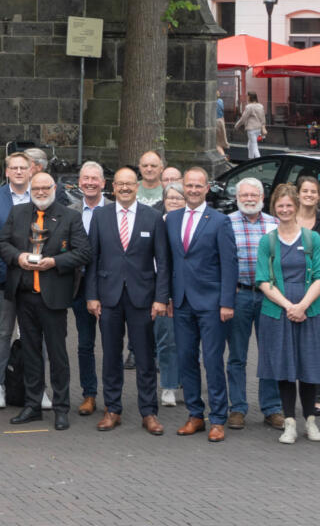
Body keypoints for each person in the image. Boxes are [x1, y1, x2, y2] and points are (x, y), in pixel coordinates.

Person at [0, 171, 91, 430]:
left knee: (58, 355)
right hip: (25, 295)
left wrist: (55, 262)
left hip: (54, 298)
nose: (40, 192)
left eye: (45, 187)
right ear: (30, 189)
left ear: (53, 188)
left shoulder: (70, 216)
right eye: (35, 188)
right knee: (30, 353)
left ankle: (61, 408)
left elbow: (84, 252)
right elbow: (1, 242)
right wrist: (18, 258)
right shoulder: (18, 213)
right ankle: (32, 405)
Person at [84, 167, 169, 434]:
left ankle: (149, 412)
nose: (124, 188)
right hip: (108, 297)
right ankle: (113, 409)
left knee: (145, 357)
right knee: (110, 356)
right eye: (120, 184)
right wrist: (92, 295)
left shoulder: (153, 218)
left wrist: (160, 299)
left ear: (138, 186)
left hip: (142, 297)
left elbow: (163, 263)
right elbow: (92, 260)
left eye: (129, 184)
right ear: (113, 186)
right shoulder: (100, 216)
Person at [255, 183, 320, 444]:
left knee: (309, 366)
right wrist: (289, 306)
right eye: (280, 206)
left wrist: (303, 306)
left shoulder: (313, 239)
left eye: (289, 205)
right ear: (274, 209)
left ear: (296, 207)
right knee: (285, 368)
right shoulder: (268, 240)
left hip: (311, 311)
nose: (285, 209)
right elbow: (263, 280)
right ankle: (289, 422)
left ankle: (310, 421)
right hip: (278, 311)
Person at [168, 166, 237, 442]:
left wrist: (227, 302)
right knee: (186, 359)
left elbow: (229, 264)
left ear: (207, 188)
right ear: (183, 187)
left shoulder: (220, 221)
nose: (194, 190)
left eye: (199, 186)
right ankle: (195, 415)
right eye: (189, 185)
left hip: (211, 303)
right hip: (181, 301)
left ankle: (218, 418)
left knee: (212, 360)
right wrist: (167, 297)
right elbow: (169, 261)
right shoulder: (171, 219)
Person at [225, 175, 282, 432]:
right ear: (237, 199)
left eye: (253, 195)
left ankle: (271, 408)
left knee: (269, 353)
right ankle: (237, 407)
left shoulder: (275, 224)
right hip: (240, 294)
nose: (249, 199)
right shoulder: (226, 224)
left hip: (269, 295)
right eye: (244, 195)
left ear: (262, 198)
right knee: (237, 355)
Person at [0, 151, 33, 408]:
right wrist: (4, 271)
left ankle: (37, 388)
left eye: (23, 167)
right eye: (14, 168)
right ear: (7, 171)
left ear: (31, 170)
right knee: (2, 332)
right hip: (4, 279)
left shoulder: (41, 194)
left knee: (35, 334)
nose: (19, 172)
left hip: (36, 280)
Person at [156, 181, 186, 406]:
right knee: (167, 340)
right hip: (164, 291)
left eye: (179, 198)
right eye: (170, 198)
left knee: (189, 341)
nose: (174, 201)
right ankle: (168, 386)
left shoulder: (192, 223)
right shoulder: (159, 224)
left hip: (191, 292)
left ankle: (186, 381)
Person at [235, 92, 267, 158]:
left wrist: (237, 126)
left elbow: (243, 118)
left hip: (251, 129)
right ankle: (251, 160)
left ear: (250, 97)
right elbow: (263, 118)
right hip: (258, 129)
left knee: (254, 146)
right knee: (250, 145)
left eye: (247, 96)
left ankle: (259, 165)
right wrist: (263, 126)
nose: (247, 98)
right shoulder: (260, 106)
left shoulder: (249, 107)